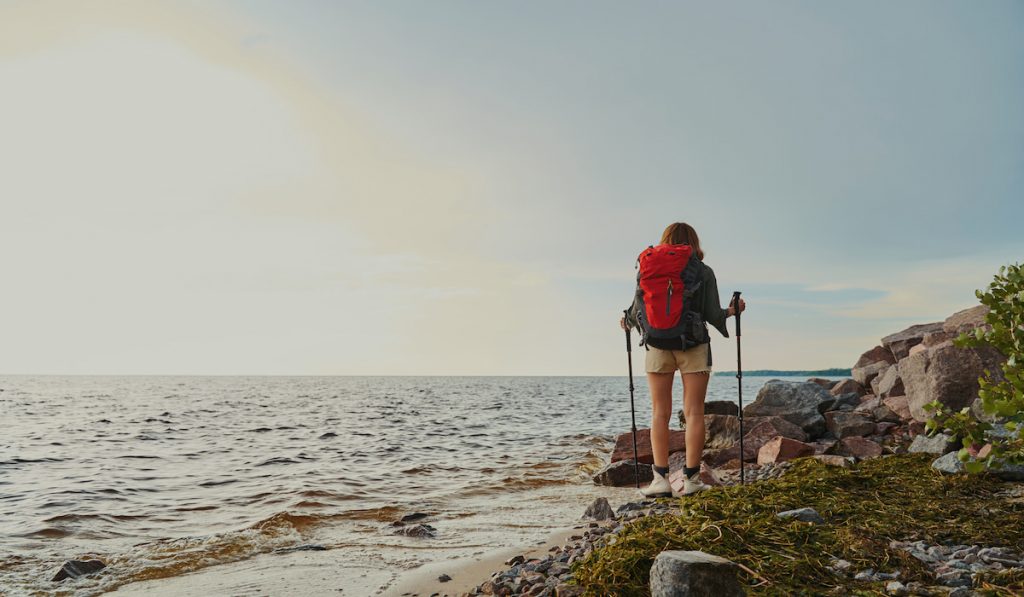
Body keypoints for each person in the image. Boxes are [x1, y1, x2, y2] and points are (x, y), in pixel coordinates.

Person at [619, 222, 746, 498]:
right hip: (694, 345)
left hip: (656, 346)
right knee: (694, 413)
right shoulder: (702, 270)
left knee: (659, 413)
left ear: (664, 241)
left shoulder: (648, 268)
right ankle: (691, 480)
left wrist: (626, 323)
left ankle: (660, 480)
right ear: (692, 242)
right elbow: (713, 314)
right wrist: (732, 311)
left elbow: (635, 308)